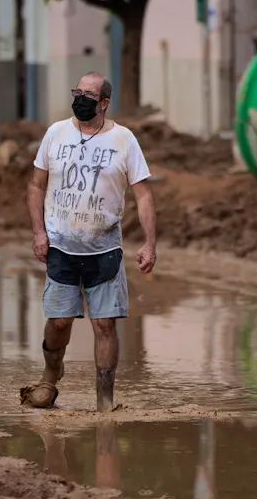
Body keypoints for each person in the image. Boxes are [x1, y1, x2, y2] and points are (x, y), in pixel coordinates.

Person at [21, 71, 158, 412]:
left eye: (88, 95)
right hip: (61, 247)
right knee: (59, 322)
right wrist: (39, 232)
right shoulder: (55, 133)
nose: (80, 99)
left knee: (104, 324)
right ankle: (51, 373)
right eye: (77, 92)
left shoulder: (124, 140)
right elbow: (36, 185)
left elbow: (143, 194)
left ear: (104, 103)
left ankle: (104, 402)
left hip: (104, 250)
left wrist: (149, 243)